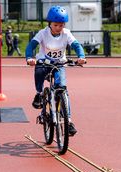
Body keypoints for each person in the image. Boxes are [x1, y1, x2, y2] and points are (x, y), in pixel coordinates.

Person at [25, 5, 86, 136]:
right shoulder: (43, 33)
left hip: (59, 64)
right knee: (39, 72)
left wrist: (81, 57)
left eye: (61, 25)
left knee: (62, 88)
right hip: (44, 62)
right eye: (56, 25)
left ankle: (68, 122)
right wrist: (29, 58)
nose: (59, 28)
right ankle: (39, 93)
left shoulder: (66, 33)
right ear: (50, 23)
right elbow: (31, 45)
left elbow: (76, 45)